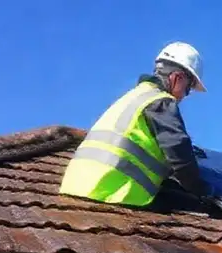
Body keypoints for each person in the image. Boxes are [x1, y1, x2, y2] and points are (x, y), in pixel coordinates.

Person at [59, 41, 211, 206]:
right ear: (177, 78)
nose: (185, 95)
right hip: (110, 191)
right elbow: (178, 149)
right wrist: (201, 190)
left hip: (75, 185)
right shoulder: (161, 101)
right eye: (188, 88)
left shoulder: (134, 97)